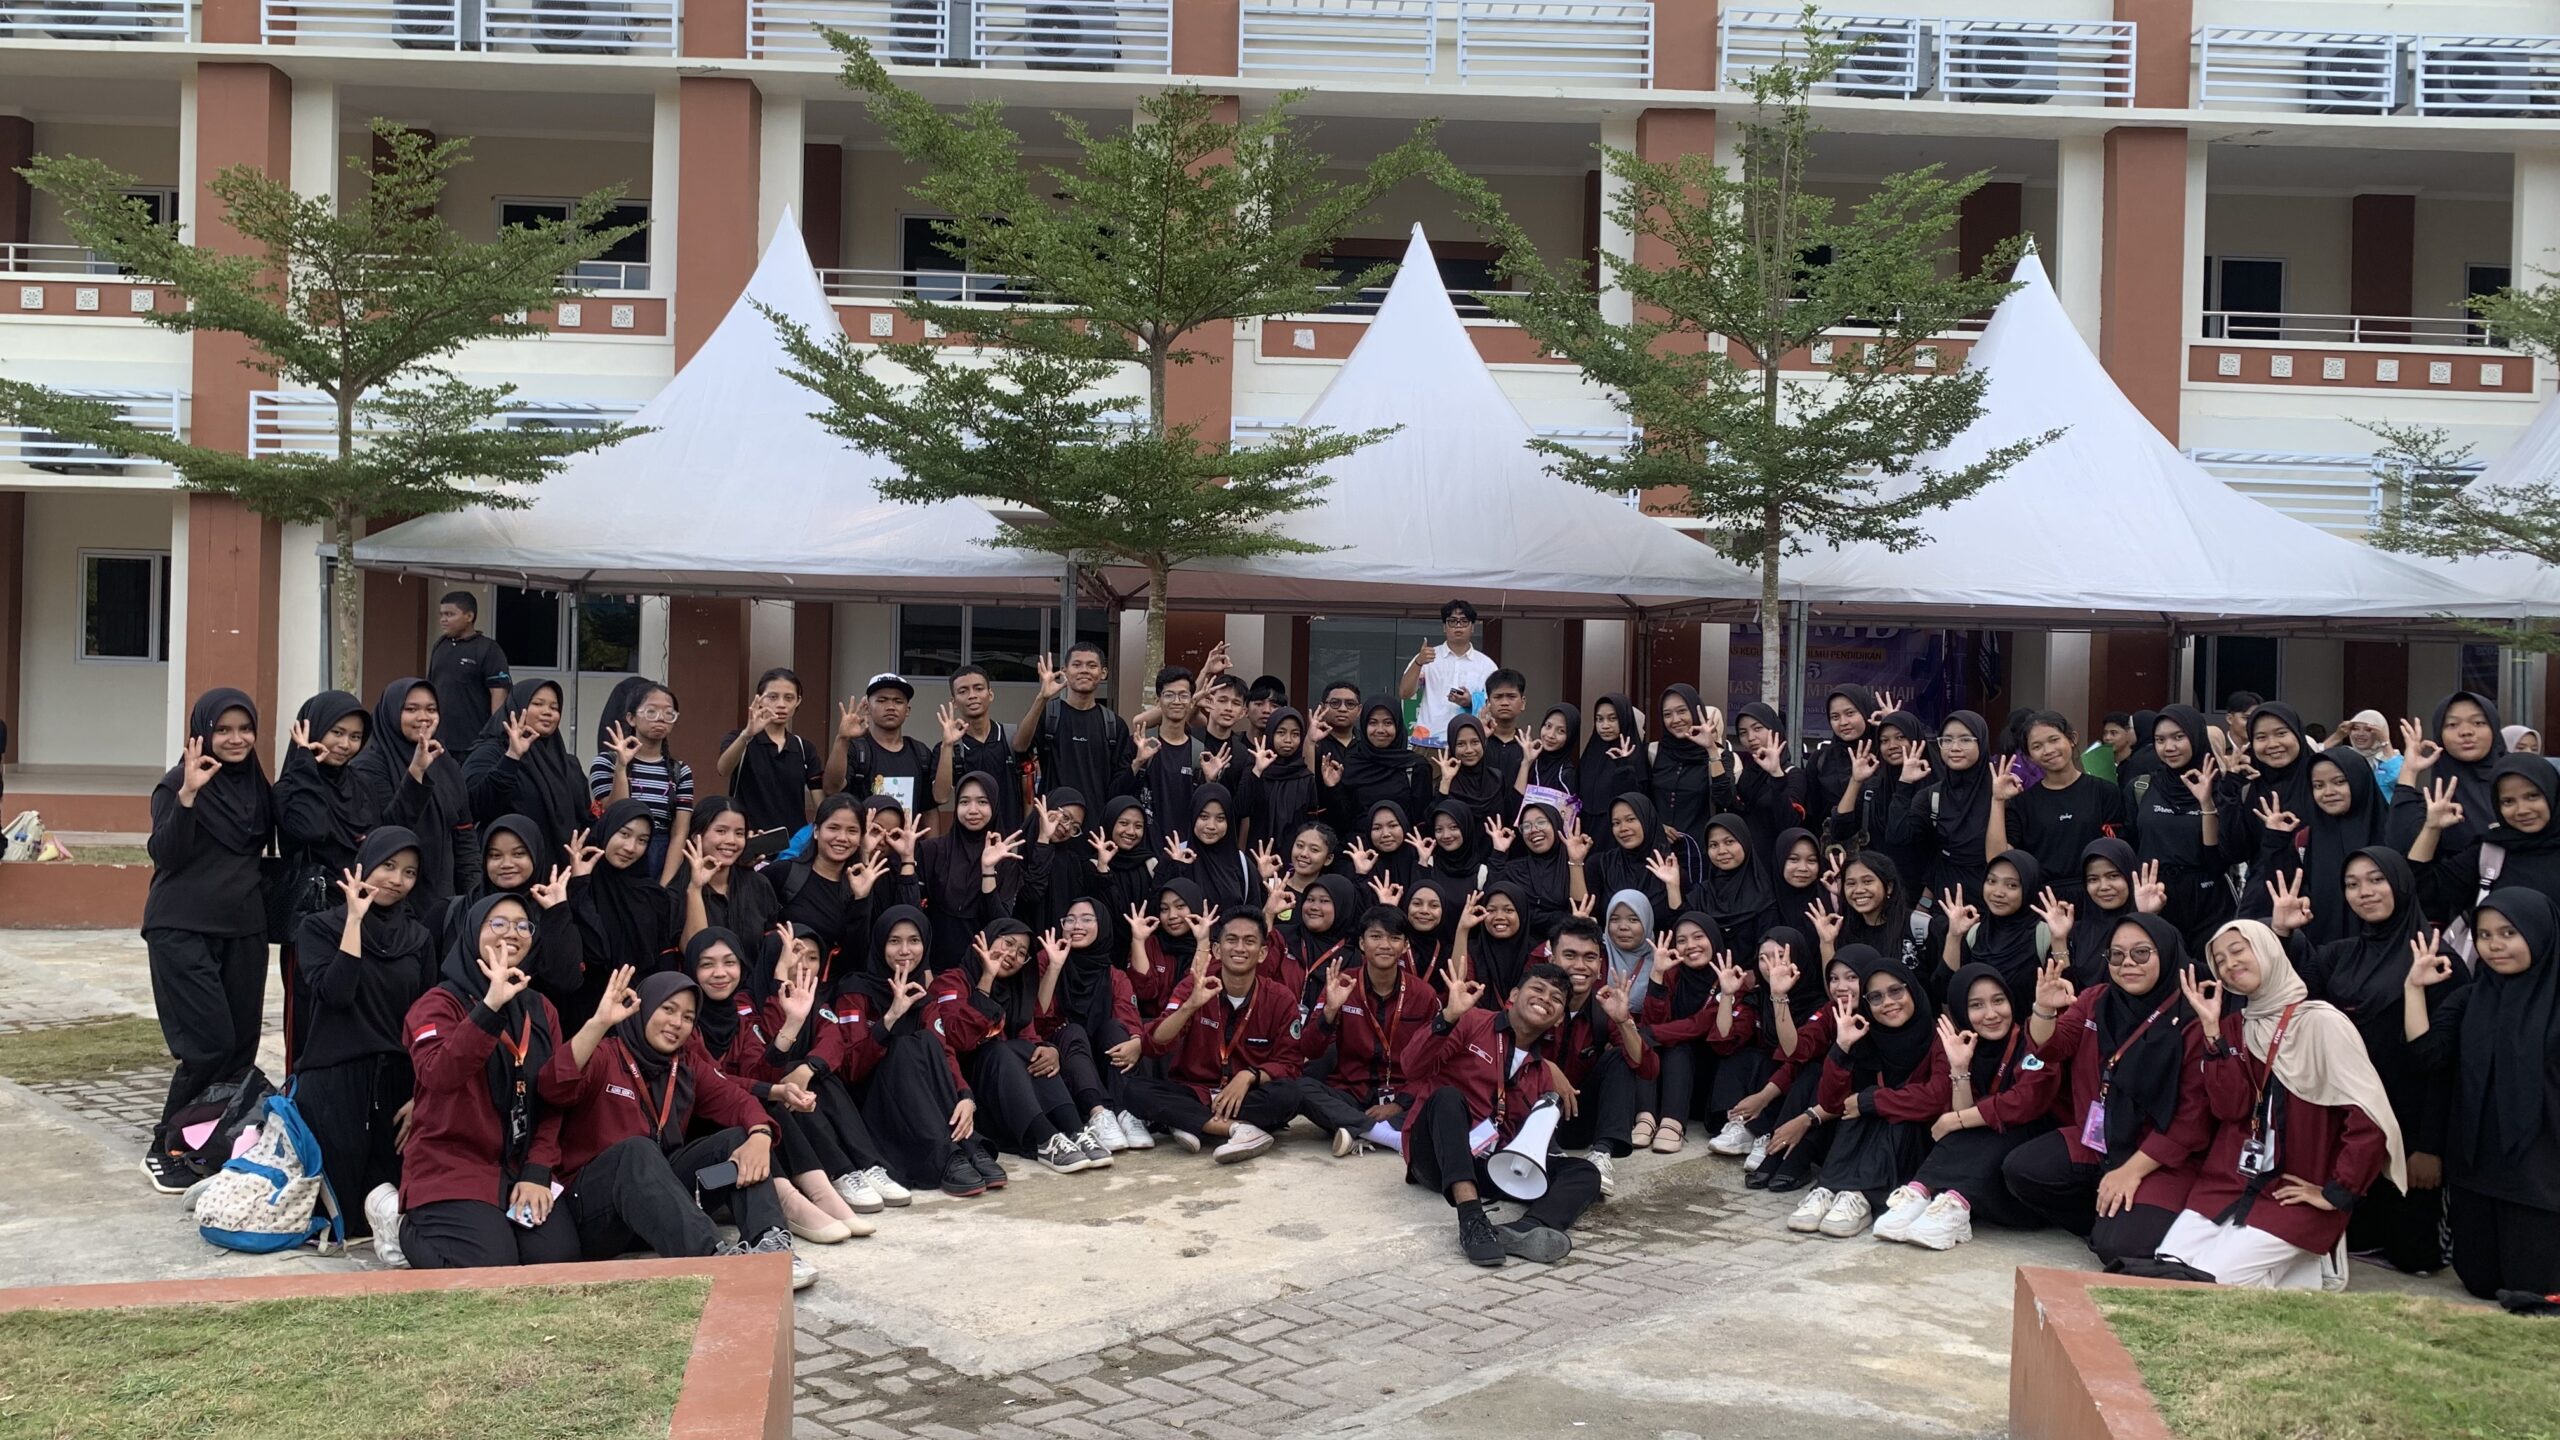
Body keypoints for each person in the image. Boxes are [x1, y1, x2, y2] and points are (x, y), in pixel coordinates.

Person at [2154, 920, 2402, 1290]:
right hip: (2233, 1182)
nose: (2229, 964)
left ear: (2268, 950)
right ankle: (2303, 1274)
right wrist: (2212, 1031)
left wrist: (2337, 1192)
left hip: (2292, 1192)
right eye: (2219, 960)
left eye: (2238, 950)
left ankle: (2314, 1258)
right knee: (2168, 1265)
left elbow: (2369, 1119)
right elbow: (2230, 1108)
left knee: (2213, 1281)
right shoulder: (2236, 1026)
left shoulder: (2321, 1023)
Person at [549, 970, 815, 1289]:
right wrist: (598, 1023)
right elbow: (554, 1084)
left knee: (737, 1140)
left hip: (663, 1206)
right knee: (637, 1149)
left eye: (688, 1017)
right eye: (668, 1009)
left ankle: (771, 1246)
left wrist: (760, 1135)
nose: (677, 1023)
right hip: (599, 1213)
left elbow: (736, 1099)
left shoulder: (684, 1064)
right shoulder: (605, 1054)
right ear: (644, 1008)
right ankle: (711, 1259)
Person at [2002, 914, 2213, 1265]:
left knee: (2118, 1250)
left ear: (2166, 952)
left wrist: (2131, 1171)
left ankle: (2121, 1219)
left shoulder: (2193, 1018)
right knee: (2023, 1170)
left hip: (2160, 1156)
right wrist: (2043, 1009)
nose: (2127, 963)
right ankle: (2106, 1217)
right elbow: (2053, 1046)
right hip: (2101, 1139)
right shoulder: (2097, 999)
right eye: (2116, 954)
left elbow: (2191, 1122)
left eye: (2141, 953)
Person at [394, 893, 584, 1270]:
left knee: (555, 1259)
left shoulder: (540, 1008)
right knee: (489, 1265)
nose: (511, 933)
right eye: (497, 923)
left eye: (522, 926)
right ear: (471, 932)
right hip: (452, 1165)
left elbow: (551, 1100)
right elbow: (439, 1074)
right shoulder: (437, 1004)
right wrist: (490, 1006)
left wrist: (537, 1171)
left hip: (517, 1166)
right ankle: (400, 1226)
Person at [2290, 846, 2455, 1274]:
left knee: (2415, 1257)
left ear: (2401, 883)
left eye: (2377, 879)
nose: (2364, 892)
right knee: (2353, 1238)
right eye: (2352, 884)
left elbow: (2446, 1066)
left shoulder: (2437, 958)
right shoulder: (2338, 955)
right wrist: (2285, 936)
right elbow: (2290, 998)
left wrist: (2429, 1148)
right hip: (2352, 1127)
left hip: (2411, 1126)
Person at [141, 689, 274, 1193]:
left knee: (239, 1048)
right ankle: (165, 1146)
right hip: (182, 928)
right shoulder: (176, 783)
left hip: (244, 930)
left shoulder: (258, 786)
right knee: (207, 1045)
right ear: (202, 733)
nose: (236, 739)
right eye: (223, 730)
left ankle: (208, 1144)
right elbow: (166, 854)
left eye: (245, 729)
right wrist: (188, 797)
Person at [2404, 890, 2560, 1301]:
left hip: (2541, 1173)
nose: (2495, 946)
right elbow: (2427, 1054)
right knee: (2479, 1281)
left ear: (2539, 932)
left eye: (2509, 933)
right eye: (2485, 935)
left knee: (2532, 1290)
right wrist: (2414, 988)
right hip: (2476, 1169)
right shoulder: (2471, 997)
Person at [1400, 961, 1608, 1266]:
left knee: (1584, 1171)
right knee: (1447, 1097)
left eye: (1556, 999)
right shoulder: (1471, 1021)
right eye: (1538, 989)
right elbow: (1411, 1066)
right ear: (1514, 995)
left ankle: (1523, 1229)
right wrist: (1448, 1017)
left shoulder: (1542, 1074)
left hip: (1489, 1164)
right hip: (1436, 1157)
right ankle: (1472, 1221)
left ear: (1558, 1019)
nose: (1545, 999)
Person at [295, 827, 435, 1255]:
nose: (397, 880)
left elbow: (427, 1016)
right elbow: (336, 993)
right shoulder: (319, 927)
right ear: (364, 865)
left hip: (395, 1080)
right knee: (341, 1214)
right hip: (336, 1077)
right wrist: (354, 920)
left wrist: (423, 1092)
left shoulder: (418, 937)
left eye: (409, 872)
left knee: (387, 1202)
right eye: (388, 866)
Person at [1129, 910, 1338, 1161]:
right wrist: (1189, 1007)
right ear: (1217, 950)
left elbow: (1290, 1064)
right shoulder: (1193, 986)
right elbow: (1154, 1044)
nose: (1239, 948)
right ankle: (1236, 1129)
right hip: (1195, 1091)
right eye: (1231, 940)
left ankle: (1187, 1121)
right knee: (1134, 1090)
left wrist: (1248, 1076)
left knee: (1289, 1094)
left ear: (1262, 953)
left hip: (1246, 1097)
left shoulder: (1281, 998)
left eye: (1249, 941)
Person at [1886, 961, 2063, 1250]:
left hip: (2032, 1153)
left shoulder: (2031, 1038)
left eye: (1998, 1001)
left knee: (1992, 1122)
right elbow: (1963, 1113)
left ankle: (1956, 1203)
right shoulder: (1968, 1044)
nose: (1991, 1014)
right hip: (1990, 1160)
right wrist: (1959, 1068)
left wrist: (1955, 1120)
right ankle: (1921, 1192)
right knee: (1974, 1120)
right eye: (1976, 1005)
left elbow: (2026, 1103)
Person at [924, 920, 1118, 1175]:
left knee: (1032, 1052)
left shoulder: (1015, 990)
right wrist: (986, 980)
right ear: (987, 939)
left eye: (1021, 953)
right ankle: (1044, 1139)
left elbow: (1028, 1037)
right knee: (999, 1050)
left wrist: (1048, 1050)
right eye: (1008, 943)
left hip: (1009, 1092)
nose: (1011, 955)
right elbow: (959, 1038)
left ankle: (1075, 1129)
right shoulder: (951, 981)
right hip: (968, 1096)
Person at [1792, 947, 1943, 1239]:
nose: (1888, 1003)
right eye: (1876, 997)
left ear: (1912, 990)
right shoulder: (1866, 1035)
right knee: (1857, 1108)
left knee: (1883, 1106)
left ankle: (1862, 1195)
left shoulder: (1938, 1035)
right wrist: (1842, 1047)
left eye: (1896, 991)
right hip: (1870, 1144)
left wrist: (1871, 1101)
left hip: (1920, 1141)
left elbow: (1935, 1097)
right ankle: (1830, 1188)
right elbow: (1832, 1102)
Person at [274, 690, 378, 1070]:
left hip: (356, 917)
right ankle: (302, 1094)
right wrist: (306, 767)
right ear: (311, 730)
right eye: (337, 732)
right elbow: (311, 828)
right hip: (311, 921)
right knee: (308, 1016)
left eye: (355, 736)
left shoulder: (360, 786)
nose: (345, 745)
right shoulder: (289, 788)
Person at [1296, 907, 1446, 1149]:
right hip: (1351, 1094)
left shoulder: (1423, 994)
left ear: (1405, 946)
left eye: (1394, 938)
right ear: (1361, 943)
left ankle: (1357, 1129)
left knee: (1442, 1099)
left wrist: (1398, 1104)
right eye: (1376, 936)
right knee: (1300, 1088)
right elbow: (1310, 1050)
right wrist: (1330, 1011)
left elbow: (1432, 1062)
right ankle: (1384, 1134)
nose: (1385, 945)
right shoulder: (1343, 984)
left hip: (1402, 1098)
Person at [352, 678, 481, 911]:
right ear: (392, 713)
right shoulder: (369, 765)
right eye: (411, 709)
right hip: (390, 897)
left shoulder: (446, 763)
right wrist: (416, 773)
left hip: (441, 896)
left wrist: (474, 896)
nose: (423, 717)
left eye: (431, 709)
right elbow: (387, 833)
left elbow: (464, 835)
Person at [1988, 711, 2124, 909]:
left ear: (2072, 739)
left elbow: (2118, 852)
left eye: (2054, 740)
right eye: (2037, 746)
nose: (2048, 750)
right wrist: (1998, 800)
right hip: (2044, 903)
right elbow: (1996, 859)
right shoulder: (2023, 803)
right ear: (2029, 756)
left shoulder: (2104, 792)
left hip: (2097, 898)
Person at [2123, 707, 2229, 951]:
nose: (2169, 747)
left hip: (2207, 902)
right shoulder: (2141, 788)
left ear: (2196, 736)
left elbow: (2218, 861)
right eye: (2160, 740)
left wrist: (2206, 803)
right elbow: (2131, 844)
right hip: (2154, 897)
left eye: (2178, 737)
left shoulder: (2220, 789)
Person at [568, 800, 681, 1023]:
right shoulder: (576, 886)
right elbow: (596, 952)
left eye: (642, 840)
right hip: (584, 1013)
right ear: (606, 829)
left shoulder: (653, 896)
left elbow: (661, 961)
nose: (631, 847)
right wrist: (579, 885)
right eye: (624, 834)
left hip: (638, 1011)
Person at [914, 773, 1027, 972]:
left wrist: (988, 870)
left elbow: (1000, 924)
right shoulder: (932, 851)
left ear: (995, 805)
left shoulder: (1005, 860)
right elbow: (914, 913)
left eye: (982, 802)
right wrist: (924, 968)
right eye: (964, 802)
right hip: (934, 967)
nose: (973, 810)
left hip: (984, 969)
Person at [464, 679, 585, 862]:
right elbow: (474, 805)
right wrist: (512, 757)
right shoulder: (491, 752)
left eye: (554, 707)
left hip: (559, 869)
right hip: (507, 867)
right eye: (537, 704)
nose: (547, 712)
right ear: (517, 707)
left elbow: (584, 819)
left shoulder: (567, 764)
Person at [587, 680, 693, 885]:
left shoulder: (680, 771)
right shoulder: (606, 762)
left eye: (668, 713)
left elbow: (679, 832)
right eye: (651, 712)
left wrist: (665, 884)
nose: (660, 718)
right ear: (631, 718)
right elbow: (615, 814)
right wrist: (621, 767)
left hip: (659, 856)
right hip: (618, 853)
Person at [1889, 710, 1993, 908]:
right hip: (1945, 900)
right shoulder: (1933, 795)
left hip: (1992, 898)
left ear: (1981, 742)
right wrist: (1904, 783)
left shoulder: (2000, 792)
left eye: (1965, 740)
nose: (1954, 747)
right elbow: (1898, 836)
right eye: (1947, 740)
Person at [1015, 644, 1135, 806]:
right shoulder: (1048, 714)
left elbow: (1120, 784)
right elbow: (1020, 746)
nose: (1084, 670)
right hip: (1053, 817)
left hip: (1097, 818)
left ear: (1103, 673)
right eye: (1077, 665)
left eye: (1092, 665)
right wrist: (1042, 698)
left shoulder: (1114, 725)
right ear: (1064, 671)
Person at [717, 667, 824, 837]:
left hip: (793, 844)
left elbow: (821, 804)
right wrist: (747, 735)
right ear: (759, 699)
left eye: (789, 698)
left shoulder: (804, 748)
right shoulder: (739, 738)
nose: (781, 704)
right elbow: (723, 769)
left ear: (798, 701)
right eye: (773, 697)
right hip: (750, 840)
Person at [1937, 850, 2046, 1007]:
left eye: (2012, 885)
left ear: (2030, 888)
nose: (1998, 893)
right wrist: (1954, 936)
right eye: (1991, 881)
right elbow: (1946, 992)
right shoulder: (1975, 933)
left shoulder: (2044, 935)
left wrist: (2059, 940)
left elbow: (2065, 993)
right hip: (1979, 1023)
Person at [828, 673, 938, 825]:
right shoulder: (856, 749)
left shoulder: (920, 753)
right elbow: (831, 789)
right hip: (864, 839)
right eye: (882, 700)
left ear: (907, 710)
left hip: (906, 839)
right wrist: (842, 739)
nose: (891, 707)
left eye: (898, 701)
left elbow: (929, 809)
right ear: (867, 707)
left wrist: (933, 842)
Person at [674, 796, 779, 947]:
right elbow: (694, 951)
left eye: (739, 833)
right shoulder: (676, 893)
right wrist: (695, 889)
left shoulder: (758, 885)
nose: (731, 840)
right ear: (696, 836)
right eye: (721, 831)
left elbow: (771, 946)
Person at [933, 665, 1024, 835]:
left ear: (990, 695)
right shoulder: (948, 747)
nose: (972, 695)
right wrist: (947, 746)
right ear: (954, 702)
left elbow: (1028, 792)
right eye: (963, 691)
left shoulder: (1013, 737)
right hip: (966, 842)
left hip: (1011, 838)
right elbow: (941, 797)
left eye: (978, 688)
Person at [1400, 599, 1499, 750]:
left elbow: (1497, 705)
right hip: (1429, 741)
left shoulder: (1487, 665)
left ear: (1472, 627)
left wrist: (1471, 701)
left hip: (1470, 743)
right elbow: (1404, 693)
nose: (1458, 626)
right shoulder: (1427, 657)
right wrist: (1418, 662)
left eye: (1464, 621)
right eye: (1452, 621)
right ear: (1444, 627)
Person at [426, 591, 511, 756]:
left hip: (473, 743)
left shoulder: (488, 649)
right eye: (442, 614)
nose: (443, 619)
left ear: (469, 616)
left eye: (449, 614)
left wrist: (494, 736)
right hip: (440, 741)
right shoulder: (440, 645)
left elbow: (498, 692)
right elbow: (431, 687)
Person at [1576, 695, 1648, 832]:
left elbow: (1636, 801)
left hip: (1619, 834)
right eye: (1599, 719)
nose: (1605, 726)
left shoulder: (1636, 757)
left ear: (1625, 719)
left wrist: (1624, 765)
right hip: (1586, 834)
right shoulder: (1590, 755)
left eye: (1613, 718)